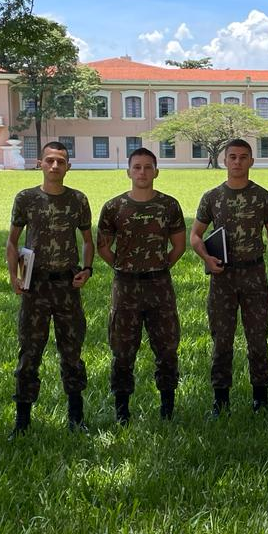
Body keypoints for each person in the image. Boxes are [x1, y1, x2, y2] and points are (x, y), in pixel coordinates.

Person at [6, 140, 94, 437]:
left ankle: (76, 416)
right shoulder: (26, 198)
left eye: (61, 161)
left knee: (72, 350)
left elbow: (88, 240)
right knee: (30, 351)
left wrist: (87, 269)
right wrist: (13, 276)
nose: (55, 165)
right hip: (35, 285)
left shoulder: (78, 200)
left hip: (67, 286)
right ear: (40, 164)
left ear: (68, 166)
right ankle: (22, 420)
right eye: (50, 161)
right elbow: (12, 241)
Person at [190, 139, 268, 414]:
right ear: (224, 160)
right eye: (232, 157)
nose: (237, 162)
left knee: (257, 339)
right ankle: (221, 400)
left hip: (254, 274)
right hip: (223, 277)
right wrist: (206, 257)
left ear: (251, 161)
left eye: (243, 157)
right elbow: (195, 235)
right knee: (222, 339)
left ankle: (261, 399)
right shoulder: (212, 197)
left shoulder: (263, 197)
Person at [96, 147, 186, 423]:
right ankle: (122, 410)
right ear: (128, 172)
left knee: (167, 348)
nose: (143, 172)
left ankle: (167, 408)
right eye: (137, 167)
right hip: (125, 288)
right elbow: (103, 247)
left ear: (156, 171)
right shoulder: (114, 207)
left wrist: (157, 267)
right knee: (123, 351)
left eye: (148, 167)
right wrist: (125, 268)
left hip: (160, 286)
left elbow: (179, 246)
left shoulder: (169, 205)